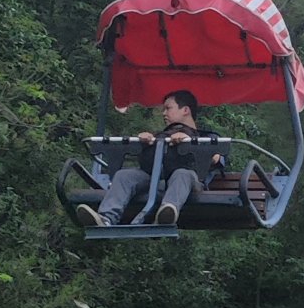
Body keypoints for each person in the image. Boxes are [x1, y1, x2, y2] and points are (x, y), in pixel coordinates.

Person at [89, 89, 213, 227]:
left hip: (187, 184)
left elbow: (215, 158)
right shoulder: (159, 136)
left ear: (185, 110)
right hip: (156, 181)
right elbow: (146, 165)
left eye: (168, 108)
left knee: (181, 174)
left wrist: (190, 143)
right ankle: (105, 218)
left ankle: (167, 213)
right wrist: (144, 144)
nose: (164, 113)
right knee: (124, 175)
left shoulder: (207, 137)